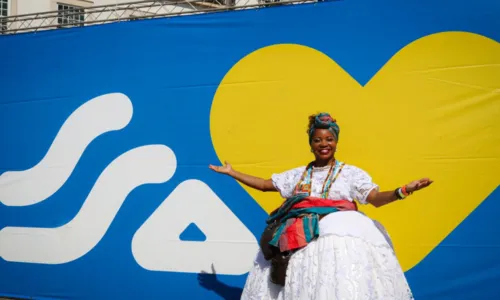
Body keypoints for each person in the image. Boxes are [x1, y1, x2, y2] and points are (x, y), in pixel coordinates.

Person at [209, 112, 432, 300]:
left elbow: (374, 198)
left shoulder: (350, 174)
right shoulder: (299, 174)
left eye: (329, 139)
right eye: (318, 140)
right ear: (311, 144)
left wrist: (404, 191)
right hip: (299, 244)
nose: (324, 144)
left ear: (336, 142)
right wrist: (233, 173)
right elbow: (266, 185)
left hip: (336, 249)